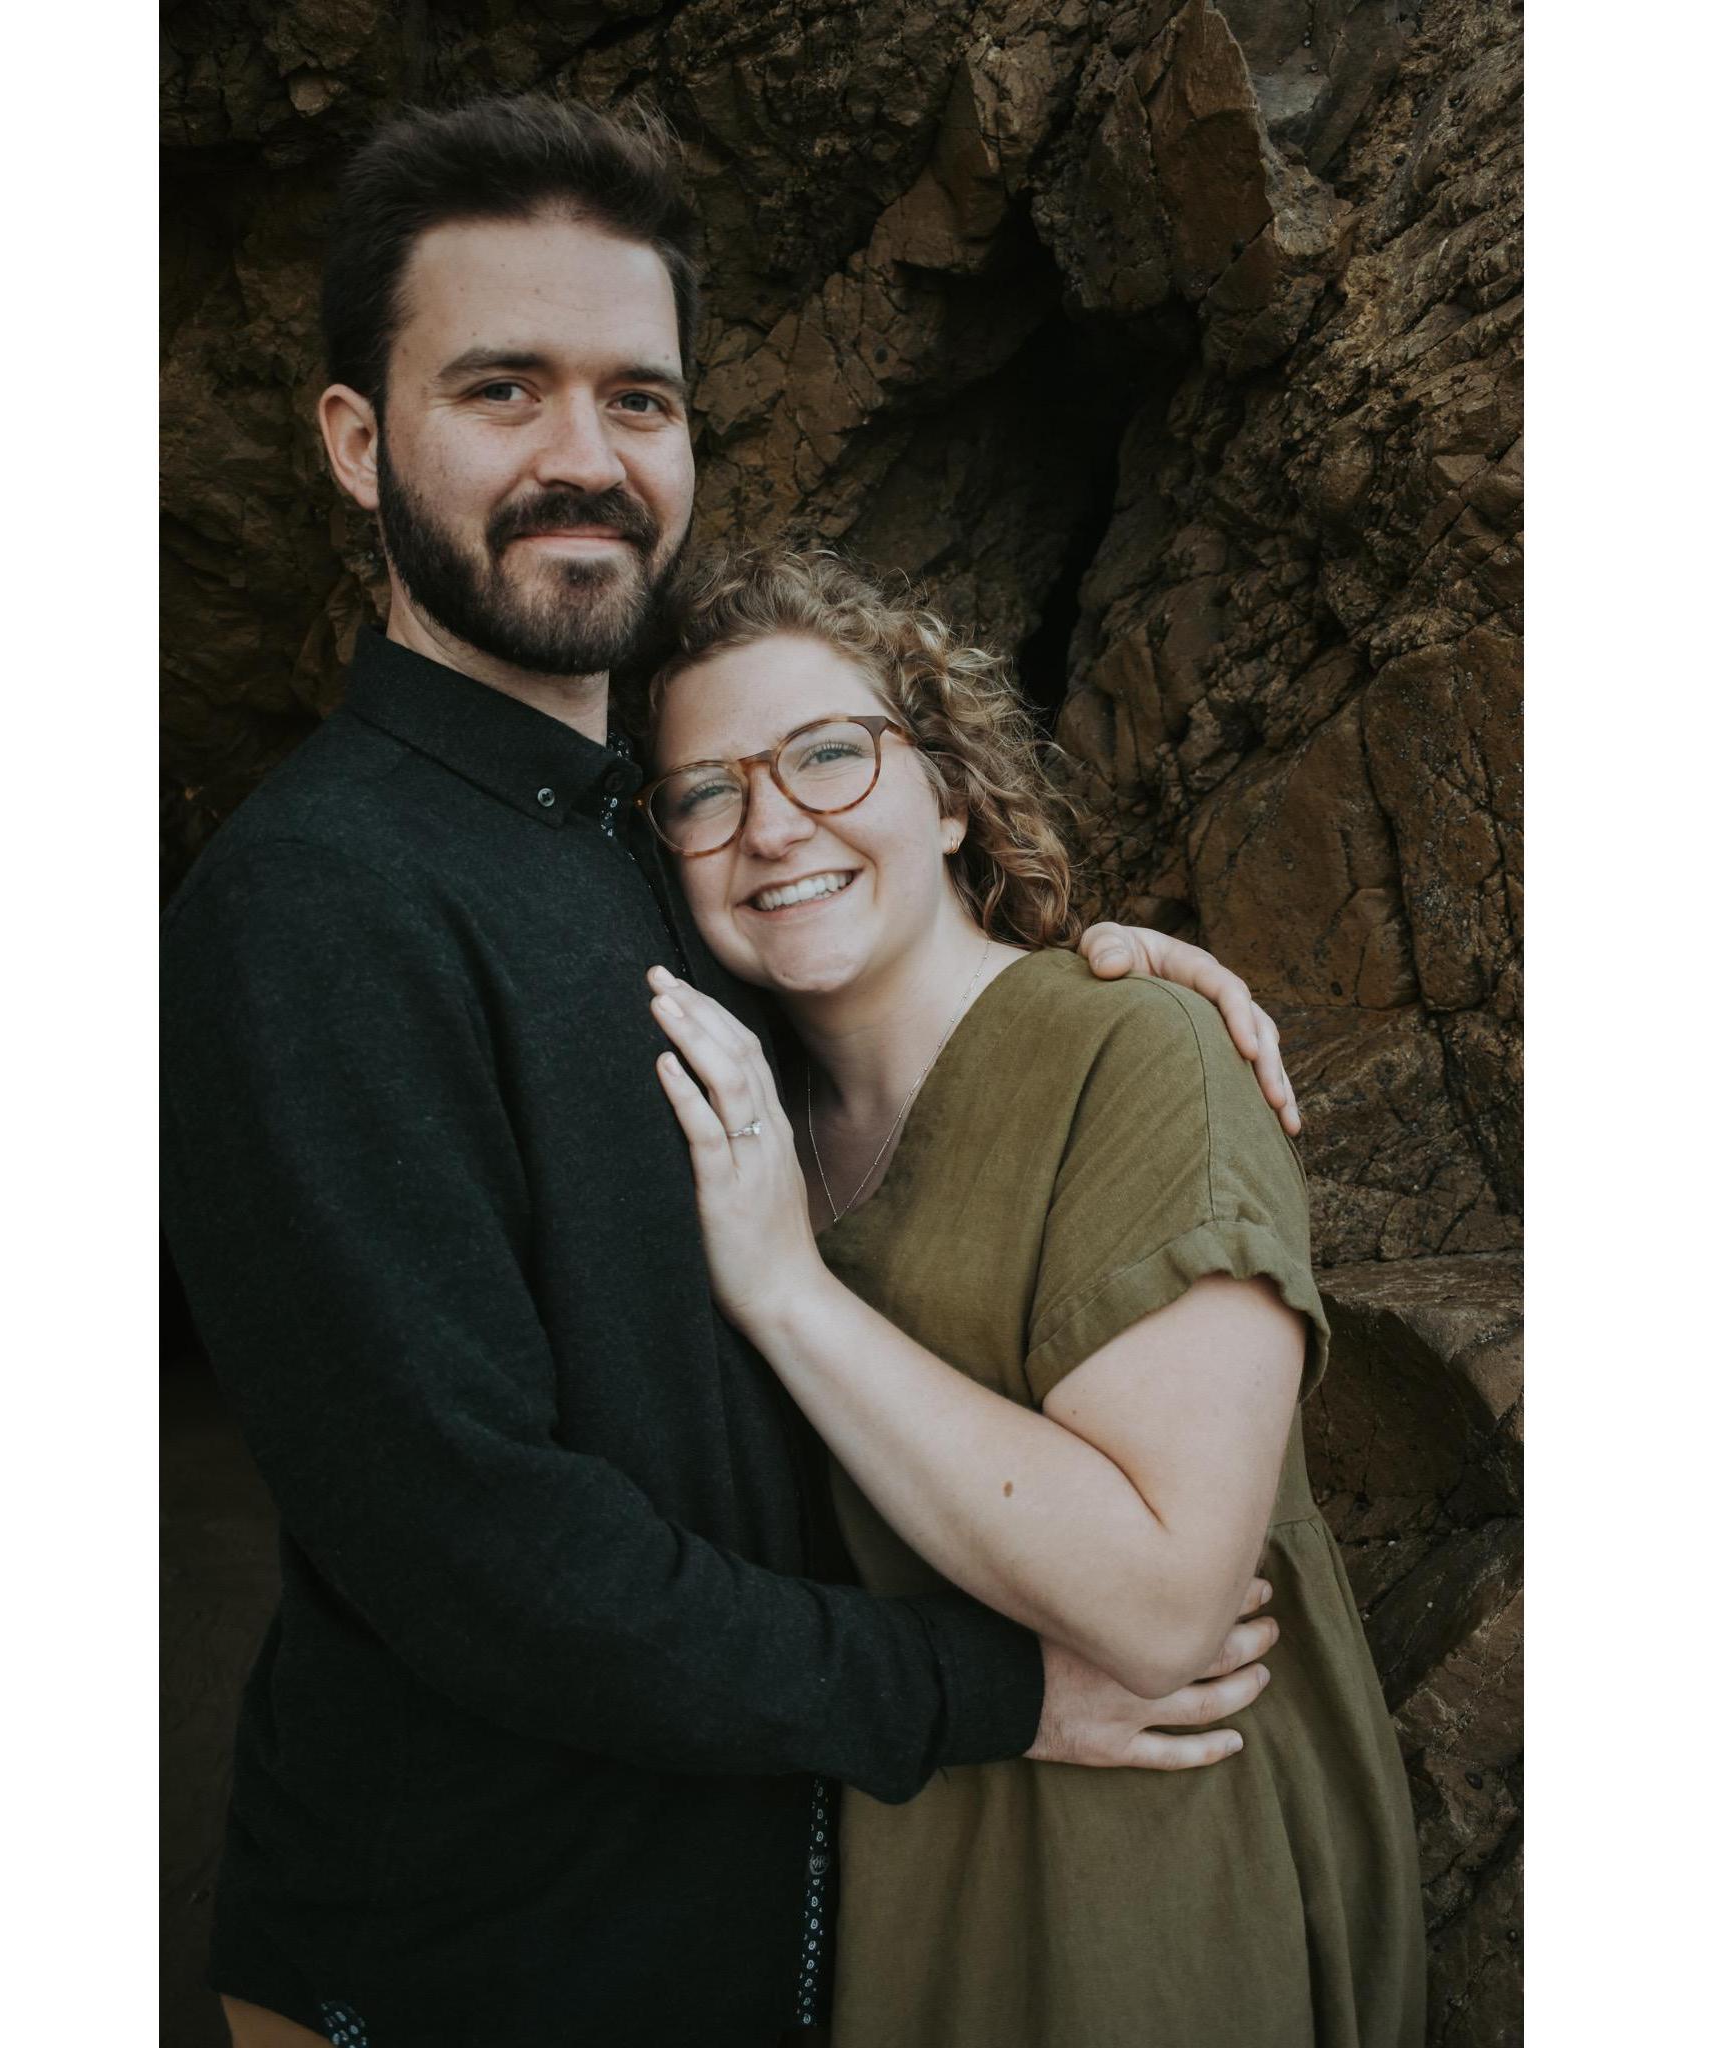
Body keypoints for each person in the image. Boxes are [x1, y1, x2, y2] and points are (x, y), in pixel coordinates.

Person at [162, 96, 1302, 2048]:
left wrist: (1093, 987)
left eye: (638, 398)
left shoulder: (663, 836)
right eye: (502, 391)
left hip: (765, 1926)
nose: (581, 460)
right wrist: (992, 1690)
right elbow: (489, 1557)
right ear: (359, 443)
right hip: (464, 1968)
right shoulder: (312, 906)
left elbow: (865, 1022)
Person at [642, 549, 1426, 2047]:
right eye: (704, 793)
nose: (771, 823)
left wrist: (784, 1293)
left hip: (1143, 1879)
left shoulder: (1139, 1056)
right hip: (890, 1868)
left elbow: (1163, 1597)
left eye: (826, 752)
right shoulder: (732, 1123)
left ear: (944, 794)